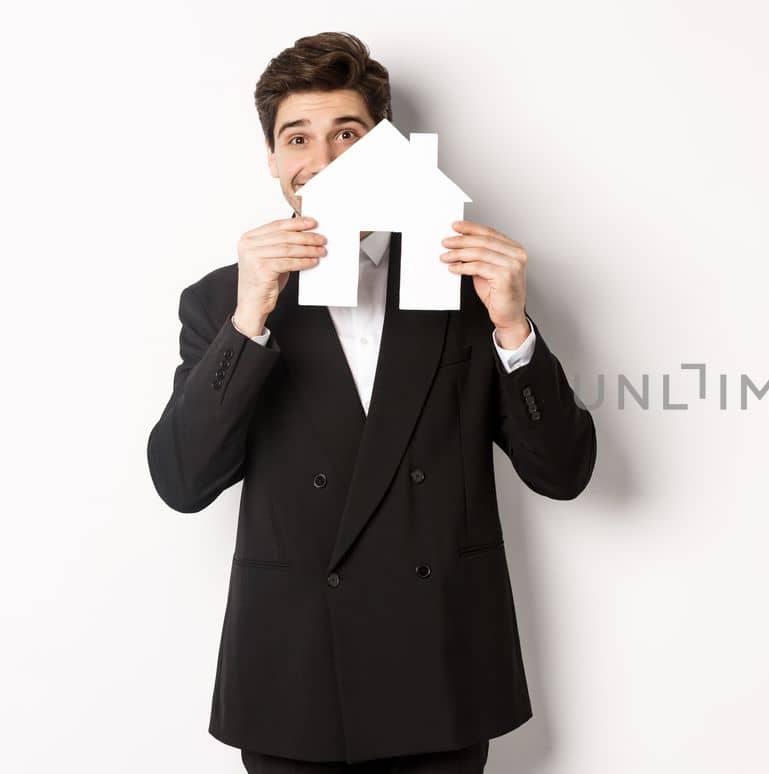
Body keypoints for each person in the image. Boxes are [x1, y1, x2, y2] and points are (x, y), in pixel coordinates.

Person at [145, 32, 597, 772]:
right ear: (273, 161)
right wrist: (249, 317)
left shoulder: (468, 294)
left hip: (440, 670)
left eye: (347, 134)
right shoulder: (221, 302)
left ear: (388, 149)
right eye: (298, 137)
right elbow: (183, 482)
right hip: (290, 680)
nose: (322, 161)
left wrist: (514, 327)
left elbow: (563, 473)